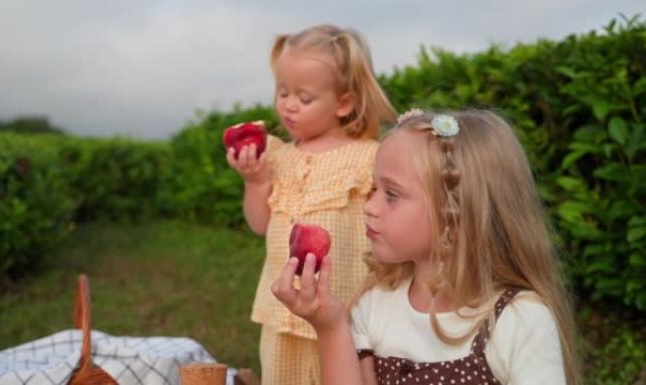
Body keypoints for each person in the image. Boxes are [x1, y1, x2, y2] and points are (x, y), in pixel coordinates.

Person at [272, 108, 581, 385]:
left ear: (459, 214)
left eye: (391, 194)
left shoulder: (518, 320)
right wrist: (330, 328)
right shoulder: (375, 305)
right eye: (373, 188)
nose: (370, 206)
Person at [226, 24, 396, 385]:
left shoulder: (369, 158)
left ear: (344, 103)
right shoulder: (276, 156)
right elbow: (260, 225)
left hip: (342, 312)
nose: (288, 104)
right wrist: (255, 182)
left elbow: (387, 227)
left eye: (304, 98)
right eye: (283, 91)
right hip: (282, 311)